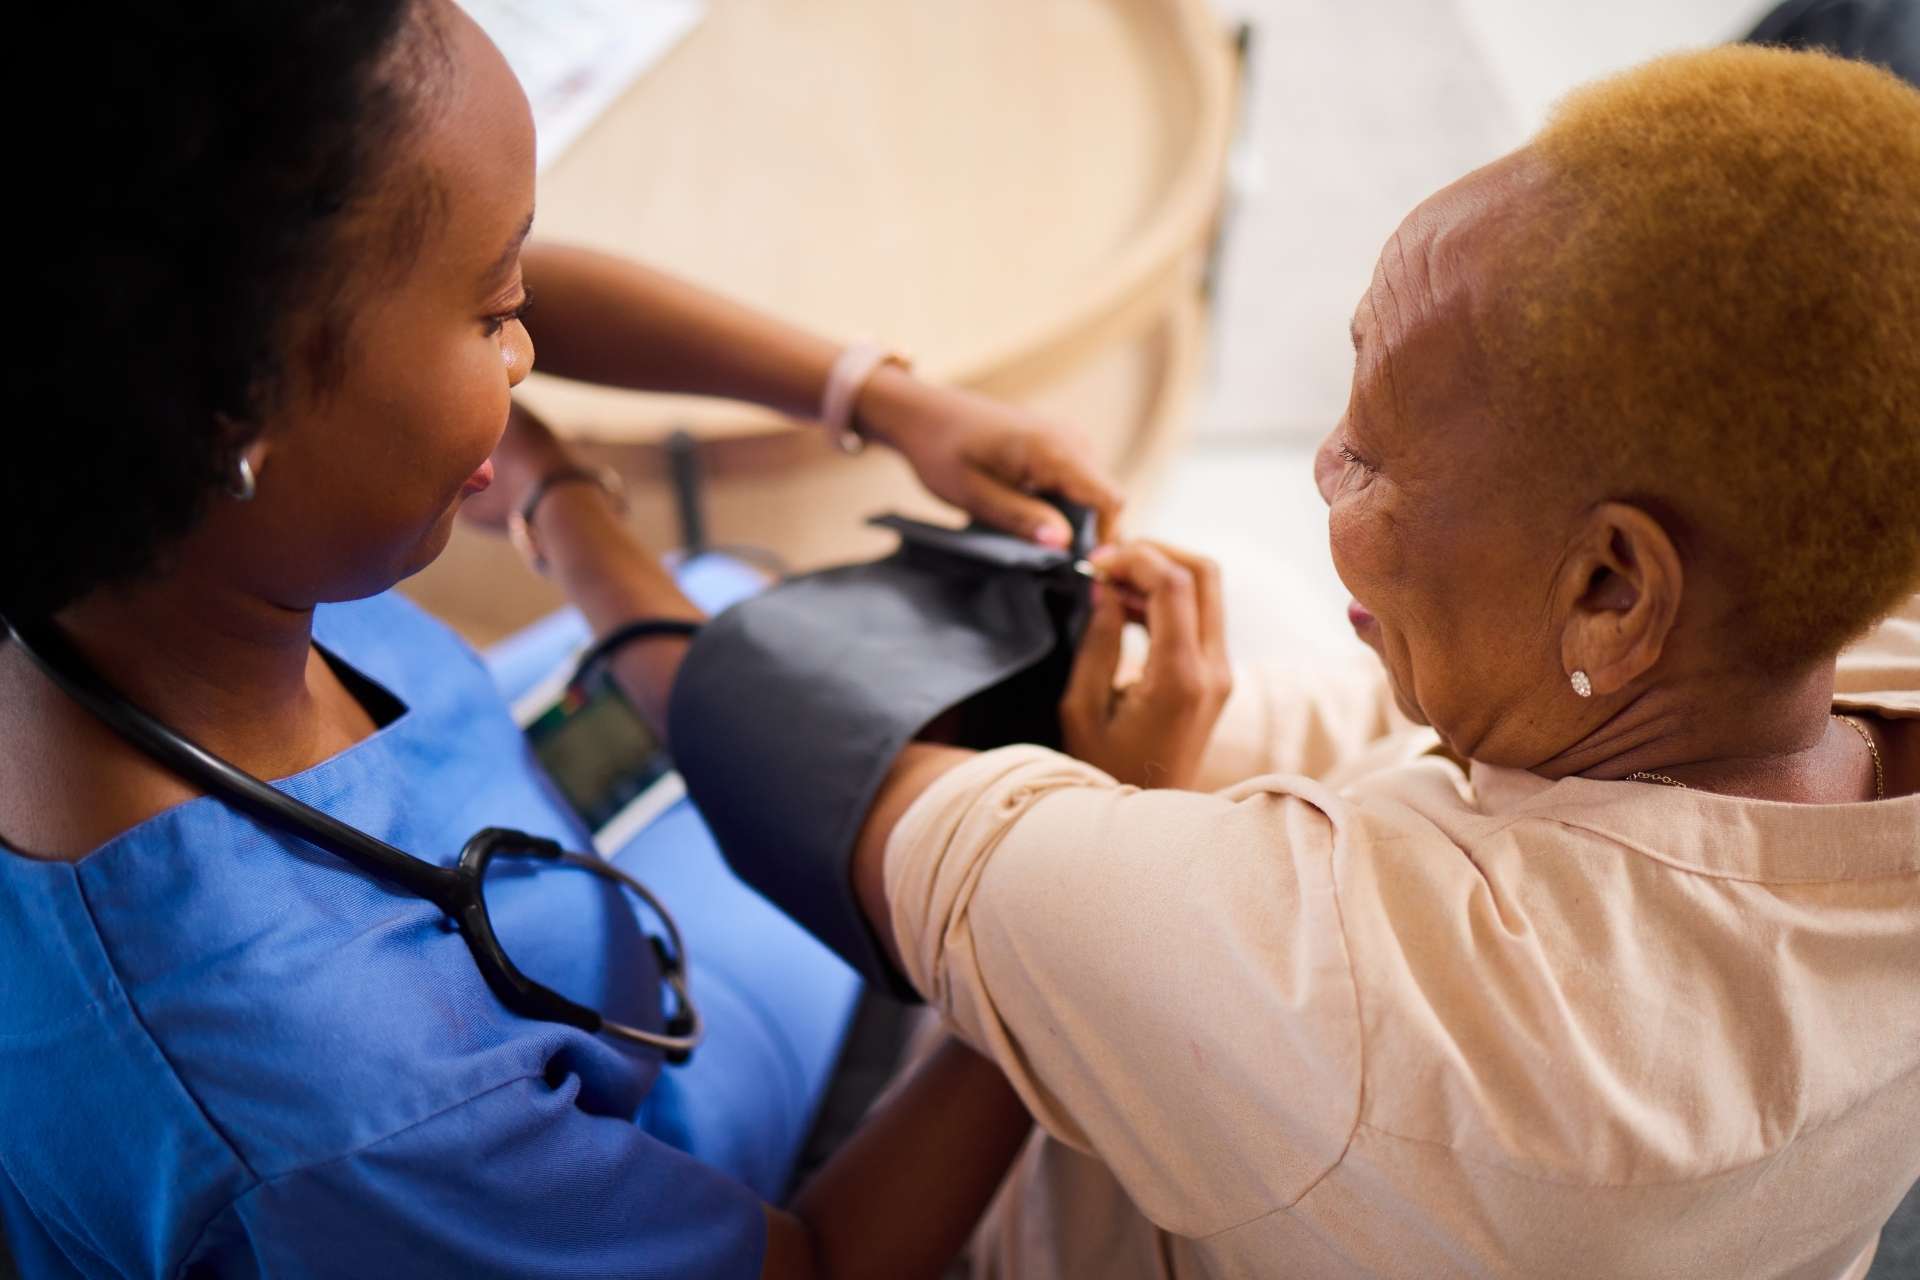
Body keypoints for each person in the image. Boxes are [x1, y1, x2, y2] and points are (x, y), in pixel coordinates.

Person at [662, 45, 1920, 1278]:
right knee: (1233, 591)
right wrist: (1165, 752)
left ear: (1607, 589)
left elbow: (769, 725)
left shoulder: (1392, 1012)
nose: (1324, 460)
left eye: (1373, 455)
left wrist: (583, 504)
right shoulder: (1834, 622)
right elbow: (1407, 765)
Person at [0, 2, 1120, 1275]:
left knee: (725, 594)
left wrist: (875, 394)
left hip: (509, 899)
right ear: (241, 407)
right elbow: (813, 1262)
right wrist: (1071, 919)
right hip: (674, 1174)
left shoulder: (107, 491)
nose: (528, 345)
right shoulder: (346, 1110)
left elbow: (444, 255)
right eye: (496, 314)